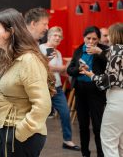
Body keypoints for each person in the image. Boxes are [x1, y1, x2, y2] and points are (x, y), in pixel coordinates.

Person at [0, 8, 53, 156]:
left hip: (20, 135)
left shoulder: (29, 60)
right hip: (6, 130)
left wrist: (20, 133)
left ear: (11, 31)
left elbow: (43, 105)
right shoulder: (7, 58)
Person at [80, 23, 123, 157]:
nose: (107, 37)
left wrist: (91, 75)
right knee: (121, 142)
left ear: (114, 35)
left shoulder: (116, 49)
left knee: (109, 141)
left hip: (117, 99)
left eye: (108, 34)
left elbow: (108, 80)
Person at [67, 26, 109, 157]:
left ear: (99, 39)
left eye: (94, 39)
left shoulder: (104, 50)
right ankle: (85, 153)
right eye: (88, 38)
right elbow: (70, 70)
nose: (91, 41)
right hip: (80, 90)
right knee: (83, 124)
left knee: (98, 125)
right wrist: (79, 69)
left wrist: (99, 53)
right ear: (84, 37)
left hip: (96, 91)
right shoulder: (79, 50)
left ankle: (101, 153)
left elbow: (111, 66)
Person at [39, 26, 80, 151]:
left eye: (59, 36)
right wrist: (62, 68)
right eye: (55, 35)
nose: (57, 38)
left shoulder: (59, 53)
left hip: (56, 88)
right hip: (42, 88)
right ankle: (31, 141)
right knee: (38, 116)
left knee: (65, 113)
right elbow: (43, 67)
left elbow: (61, 72)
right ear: (49, 36)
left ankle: (67, 141)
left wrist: (71, 71)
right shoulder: (40, 49)